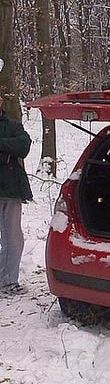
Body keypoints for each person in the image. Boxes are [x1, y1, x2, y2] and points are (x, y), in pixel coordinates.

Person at [0, 94, 33, 293]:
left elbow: (23, 145)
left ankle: (8, 281)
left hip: (10, 188)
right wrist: (7, 150)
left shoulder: (12, 125)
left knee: (13, 238)